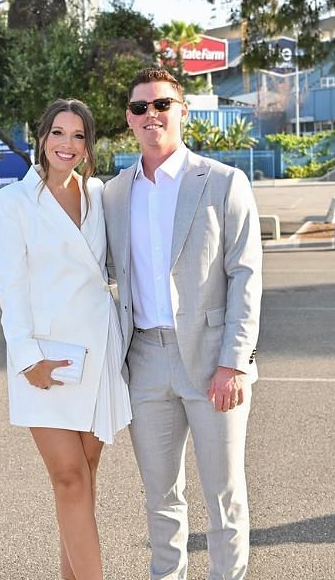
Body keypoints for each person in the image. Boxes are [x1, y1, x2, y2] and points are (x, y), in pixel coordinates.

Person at [102, 68, 262, 580]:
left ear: (183, 111)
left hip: (213, 359)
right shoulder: (114, 193)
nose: (152, 115)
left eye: (163, 104)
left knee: (224, 498)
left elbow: (246, 276)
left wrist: (234, 362)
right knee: (160, 499)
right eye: (141, 107)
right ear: (129, 119)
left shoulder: (221, 181)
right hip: (145, 360)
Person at [0, 98, 132, 580]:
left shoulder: (100, 195)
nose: (66, 144)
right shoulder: (12, 202)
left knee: (85, 482)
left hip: (98, 355)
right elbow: (10, 288)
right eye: (57, 133)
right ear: (42, 138)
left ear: (88, 146)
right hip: (45, 361)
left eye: (77, 136)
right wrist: (28, 359)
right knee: (68, 479)